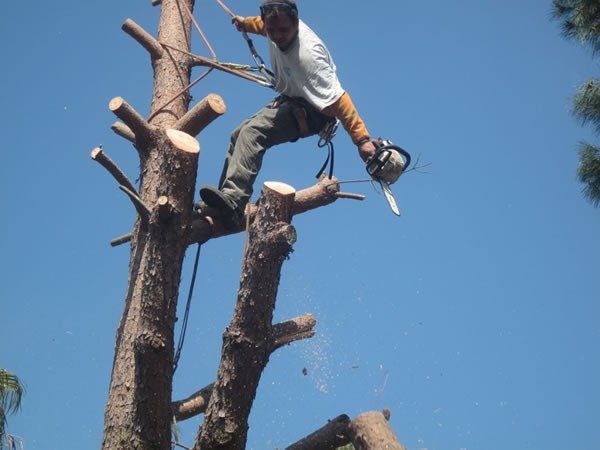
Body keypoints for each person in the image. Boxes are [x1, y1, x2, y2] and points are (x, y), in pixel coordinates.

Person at [197, 0, 377, 229]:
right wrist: (245, 24)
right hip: (292, 100)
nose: (277, 36)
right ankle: (225, 202)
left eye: (283, 30)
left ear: (295, 22)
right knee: (238, 134)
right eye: (272, 30)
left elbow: (340, 101)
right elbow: (262, 26)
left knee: (252, 133)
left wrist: (361, 140)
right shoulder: (272, 28)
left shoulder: (310, 55)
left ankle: (234, 202)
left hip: (312, 113)